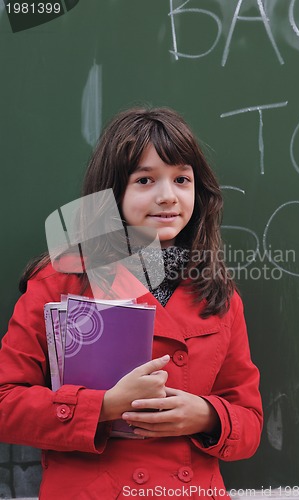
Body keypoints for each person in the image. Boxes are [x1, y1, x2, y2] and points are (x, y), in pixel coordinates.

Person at [0, 107, 263, 499]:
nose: (167, 196)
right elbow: (5, 403)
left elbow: (251, 421)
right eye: (144, 179)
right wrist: (102, 407)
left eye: (181, 179)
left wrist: (207, 416)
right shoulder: (59, 282)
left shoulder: (217, 292)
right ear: (111, 193)